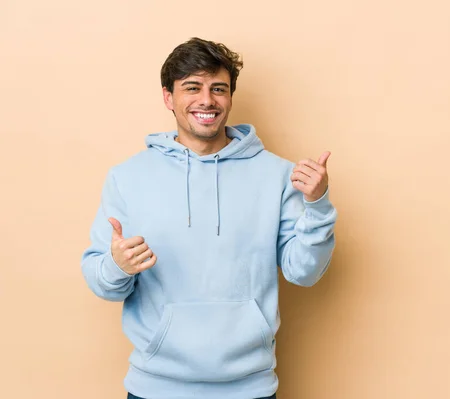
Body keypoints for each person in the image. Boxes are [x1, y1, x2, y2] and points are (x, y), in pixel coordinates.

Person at [81, 37, 337, 399]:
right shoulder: (127, 177)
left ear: (230, 97)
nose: (207, 100)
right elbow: (102, 282)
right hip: (154, 388)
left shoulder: (277, 174)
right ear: (169, 97)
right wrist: (118, 266)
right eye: (192, 87)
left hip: (250, 388)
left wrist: (318, 205)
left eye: (219, 88)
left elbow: (305, 272)